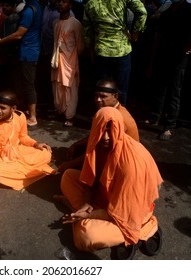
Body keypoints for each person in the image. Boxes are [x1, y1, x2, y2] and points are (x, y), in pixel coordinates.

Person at [58, 107, 163, 259]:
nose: (106, 137)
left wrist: (86, 215)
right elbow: (90, 178)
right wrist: (86, 204)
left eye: (111, 130)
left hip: (130, 212)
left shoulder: (130, 163)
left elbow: (123, 211)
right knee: (68, 177)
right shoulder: (97, 143)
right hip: (107, 197)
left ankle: (143, 228)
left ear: (120, 129)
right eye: (102, 130)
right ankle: (85, 216)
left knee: (85, 236)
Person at [145, 0, 191, 140]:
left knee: (174, 92)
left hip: (179, 58)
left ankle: (169, 126)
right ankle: (155, 117)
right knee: (159, 88)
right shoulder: (167, 13)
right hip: (163, 55)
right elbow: (158, 38)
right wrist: (152, 61)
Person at [0, 91, 56, 191]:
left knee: (45, 153)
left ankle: (21, 174)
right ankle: (32, 172)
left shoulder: (20, 116)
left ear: (13, 108)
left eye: (3, 108)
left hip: (17, 151)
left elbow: (23, 137)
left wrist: (36, 144)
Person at [59, 78, 139, 172]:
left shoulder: (117, 118)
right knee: (79, 151)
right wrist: (76, 144)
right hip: (112, 152)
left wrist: (68, 165)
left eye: (103, 96)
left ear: (115, 96)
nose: (98, 100)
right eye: (96, 95)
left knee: (69, 175)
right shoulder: (111, 110)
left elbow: (99, 150)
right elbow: (96, 136)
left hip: (123, 164)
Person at [83, 0, 147, 106]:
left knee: (103, 89)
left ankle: (103, 117)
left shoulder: (91, 3)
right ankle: (118, 118)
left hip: (101, 51)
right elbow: (142, 11)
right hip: (121, 51)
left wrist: (90, 48)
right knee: (121, 90)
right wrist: (136, 32)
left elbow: (87, 29)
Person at [0, 0, 43, 126]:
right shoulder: (36, 6)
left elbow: (18, 35)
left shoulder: (28, 11)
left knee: (28, 84)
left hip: (28, 52)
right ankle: (27, 111)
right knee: (26, 83)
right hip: (30, 50)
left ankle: (33, 117)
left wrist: (1, 41)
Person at [51, 0, 84, 127]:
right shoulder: (55, 23)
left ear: (70, 5)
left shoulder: (75, 23)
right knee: (57, 87)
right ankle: (60, 111)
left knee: (70, 88)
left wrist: (71, 57)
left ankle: (70, 116)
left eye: (64, 2)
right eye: (58, 1)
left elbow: (80, 46)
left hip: (70, 61)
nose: (60, 4)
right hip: (56, 61)